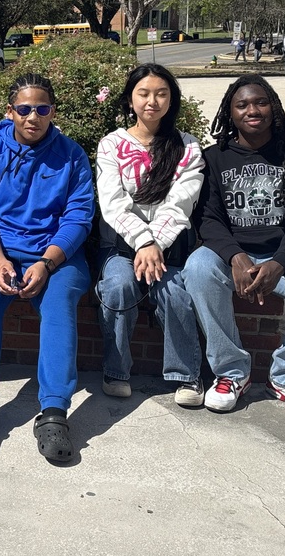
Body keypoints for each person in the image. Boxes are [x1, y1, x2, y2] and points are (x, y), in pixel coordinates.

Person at [183, 75, 285, 419]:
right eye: (242, 104)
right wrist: (236, 256)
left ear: (274, 108)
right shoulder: (215, 158)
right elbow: (207, 218)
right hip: (229, 255)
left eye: (260, 102)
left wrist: (279, 264)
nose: (252, 110)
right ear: (230, 112)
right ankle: (232, 373)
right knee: (197, 269)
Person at [0, 73, 94, 463]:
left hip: (55, 256)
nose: (34, 116)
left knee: (58, 306)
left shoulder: (72, 155)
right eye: (25, 108)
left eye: (42, 108)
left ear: (52, 112)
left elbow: (79, 218)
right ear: (10, 111)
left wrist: (47, 264)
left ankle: (53, 412)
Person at [95, 64, 205, 407]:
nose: (152, 101)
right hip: (120, 247)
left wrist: (155, 244)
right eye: (143, 93)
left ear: (172, 100)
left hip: (167, 249)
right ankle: (116, 370)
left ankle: (187, 375)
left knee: (174, 292)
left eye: (161, 94)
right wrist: (143, 242)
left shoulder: (187, 147)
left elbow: (180, 204)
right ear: (131, 99)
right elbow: (112, 204)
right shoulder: (112, 144)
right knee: (118, 286)